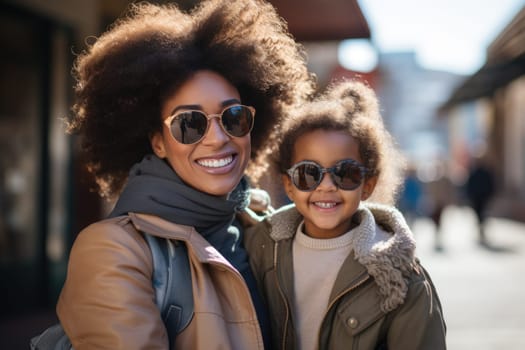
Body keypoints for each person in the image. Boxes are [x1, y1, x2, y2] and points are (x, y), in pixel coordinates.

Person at [56, 0, 315, 349]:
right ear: (158, 143)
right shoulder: (113, 251)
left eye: (233, 117)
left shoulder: (264, 229)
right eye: (189, 123)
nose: (219, 138)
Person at [245, 80, 446, 349]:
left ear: (368, 185)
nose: (326, 186)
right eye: (308, 173)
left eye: (345, 173)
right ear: (289, 185)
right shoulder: (258, 251)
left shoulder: (401, 278)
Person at [465, 156, 495, 245]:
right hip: (476, 197)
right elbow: (469, 186)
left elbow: (490, 184)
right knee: (479, 214)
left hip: (482, 197)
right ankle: (480, 229)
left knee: (482, 214)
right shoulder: (474, 173)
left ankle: (482, 229)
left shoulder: (485, 173)